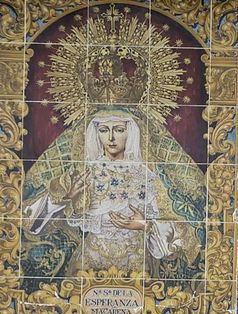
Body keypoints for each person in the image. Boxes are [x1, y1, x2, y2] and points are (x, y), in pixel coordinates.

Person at [24, 109, 203, 279]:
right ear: (95, 133)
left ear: (131, 132)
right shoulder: (82, 173)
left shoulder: (147, 175)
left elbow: (183, 231)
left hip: (137, 261)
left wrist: (145, 225)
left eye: (118, 130)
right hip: (90, 261)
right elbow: (33, 224)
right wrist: (66, 198)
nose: (110, 138)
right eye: (103, 130)